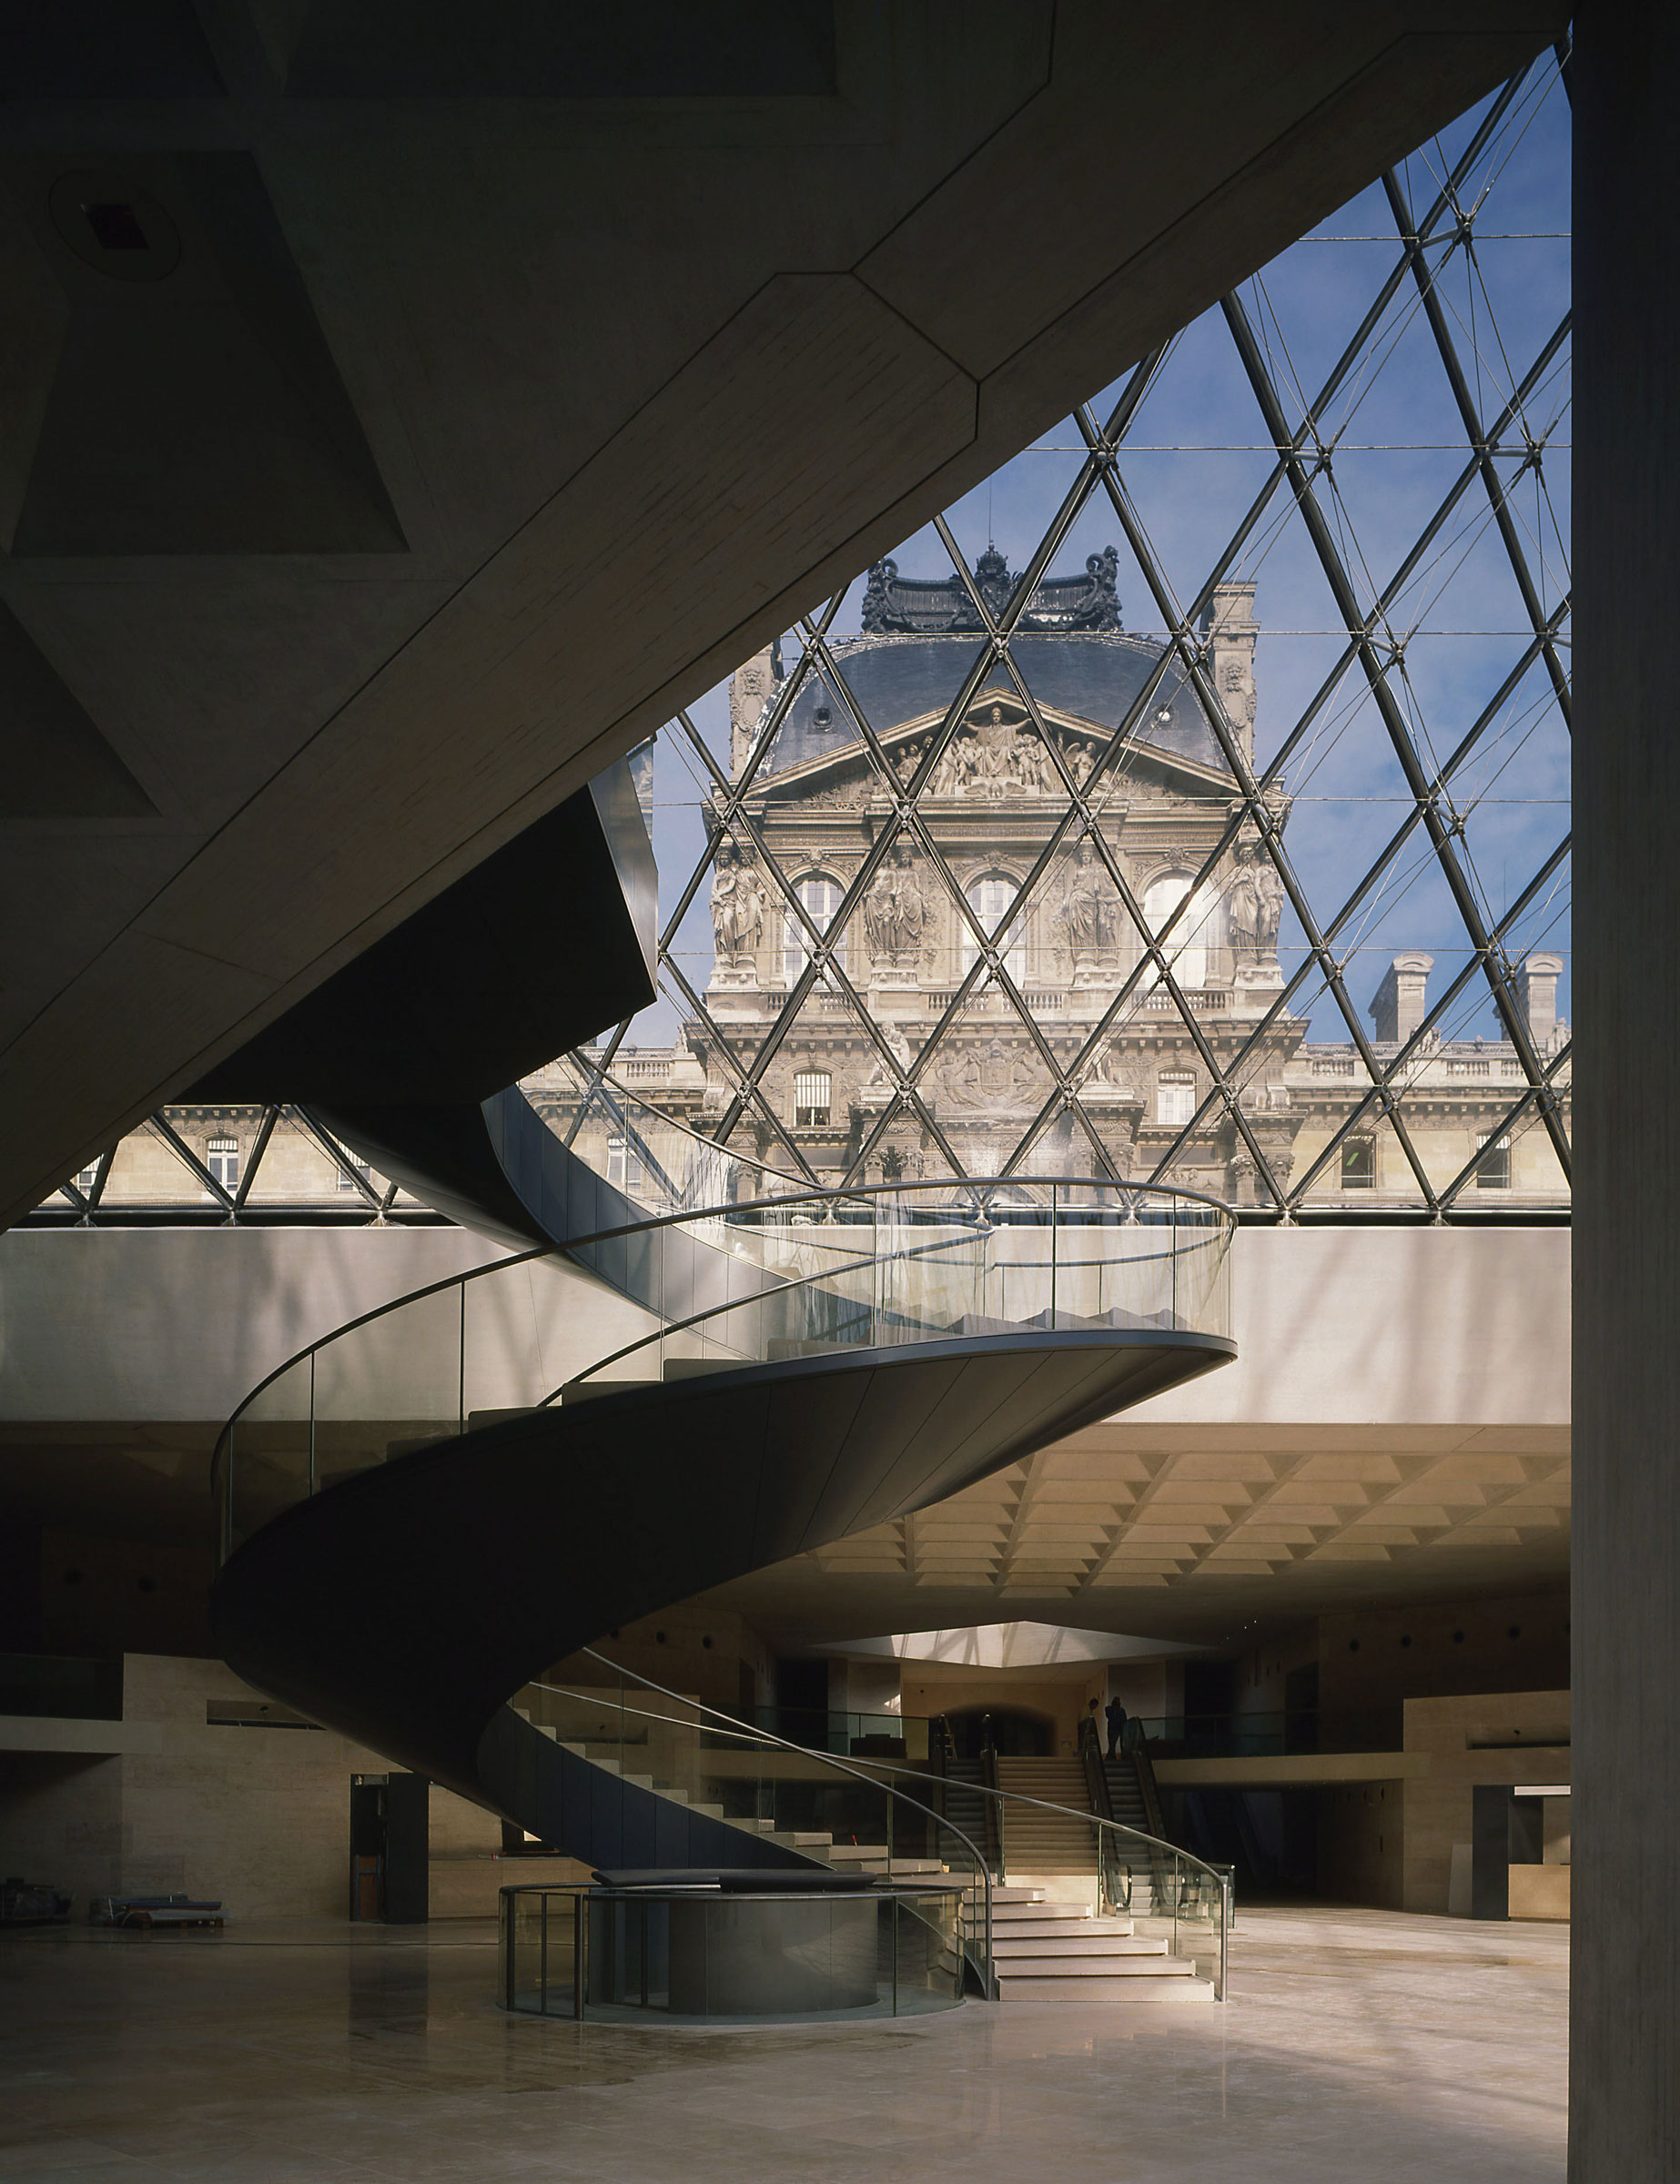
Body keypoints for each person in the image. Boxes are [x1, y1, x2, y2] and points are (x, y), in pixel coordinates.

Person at [1105, 1693, 1128, 1761]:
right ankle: (1112, 1756)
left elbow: (1124, 1720)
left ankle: (1111, 1756)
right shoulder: (1109, 1709)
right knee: (1111, 1742)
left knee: (1113, 1742)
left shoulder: (1121, 1711)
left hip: (1118, 1729)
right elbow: (1109, 1715)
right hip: (1112, 1728)